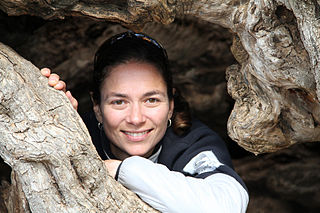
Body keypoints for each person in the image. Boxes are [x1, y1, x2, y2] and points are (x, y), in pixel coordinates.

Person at [41, 31, 249, 212]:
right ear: (97, 107)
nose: (136, 118)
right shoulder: (81, 133)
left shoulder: (190, 140)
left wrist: (123, 170)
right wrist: (60, 129)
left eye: (151, 100)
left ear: (171, 105)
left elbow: (226, 206)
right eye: (119, 102)